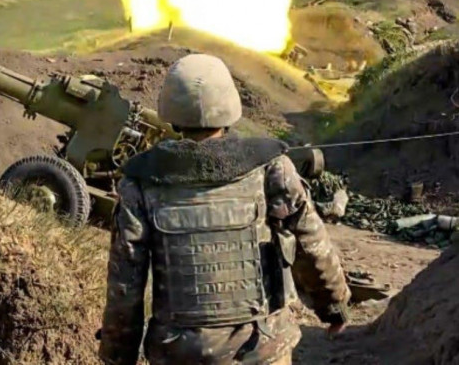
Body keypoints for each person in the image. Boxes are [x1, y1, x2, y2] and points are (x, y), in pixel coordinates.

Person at [98, 54, 350, 365]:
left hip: (180, 354)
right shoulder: (272, 167)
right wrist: (334, 307)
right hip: (262, 348)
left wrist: (117, 356)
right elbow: (311, 243)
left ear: (171, 112)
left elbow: (125, 283)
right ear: (230, 106)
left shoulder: (141, 181)